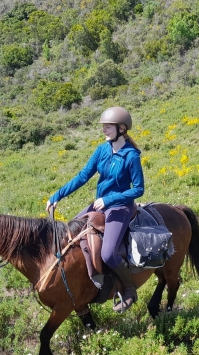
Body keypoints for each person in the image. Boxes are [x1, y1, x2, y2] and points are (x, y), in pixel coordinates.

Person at [46, 106, 143, 312]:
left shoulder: (131, 156)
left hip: (120, 207)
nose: (104, 130)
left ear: (122, 128)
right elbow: (82, 176)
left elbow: (139, 189)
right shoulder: (102, 150)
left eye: (108, 126)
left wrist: (109, 199)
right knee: (68, 234)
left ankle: (130, 290)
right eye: (103, 126)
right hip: (100, 204)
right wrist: (57, 196)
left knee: (108, 253)